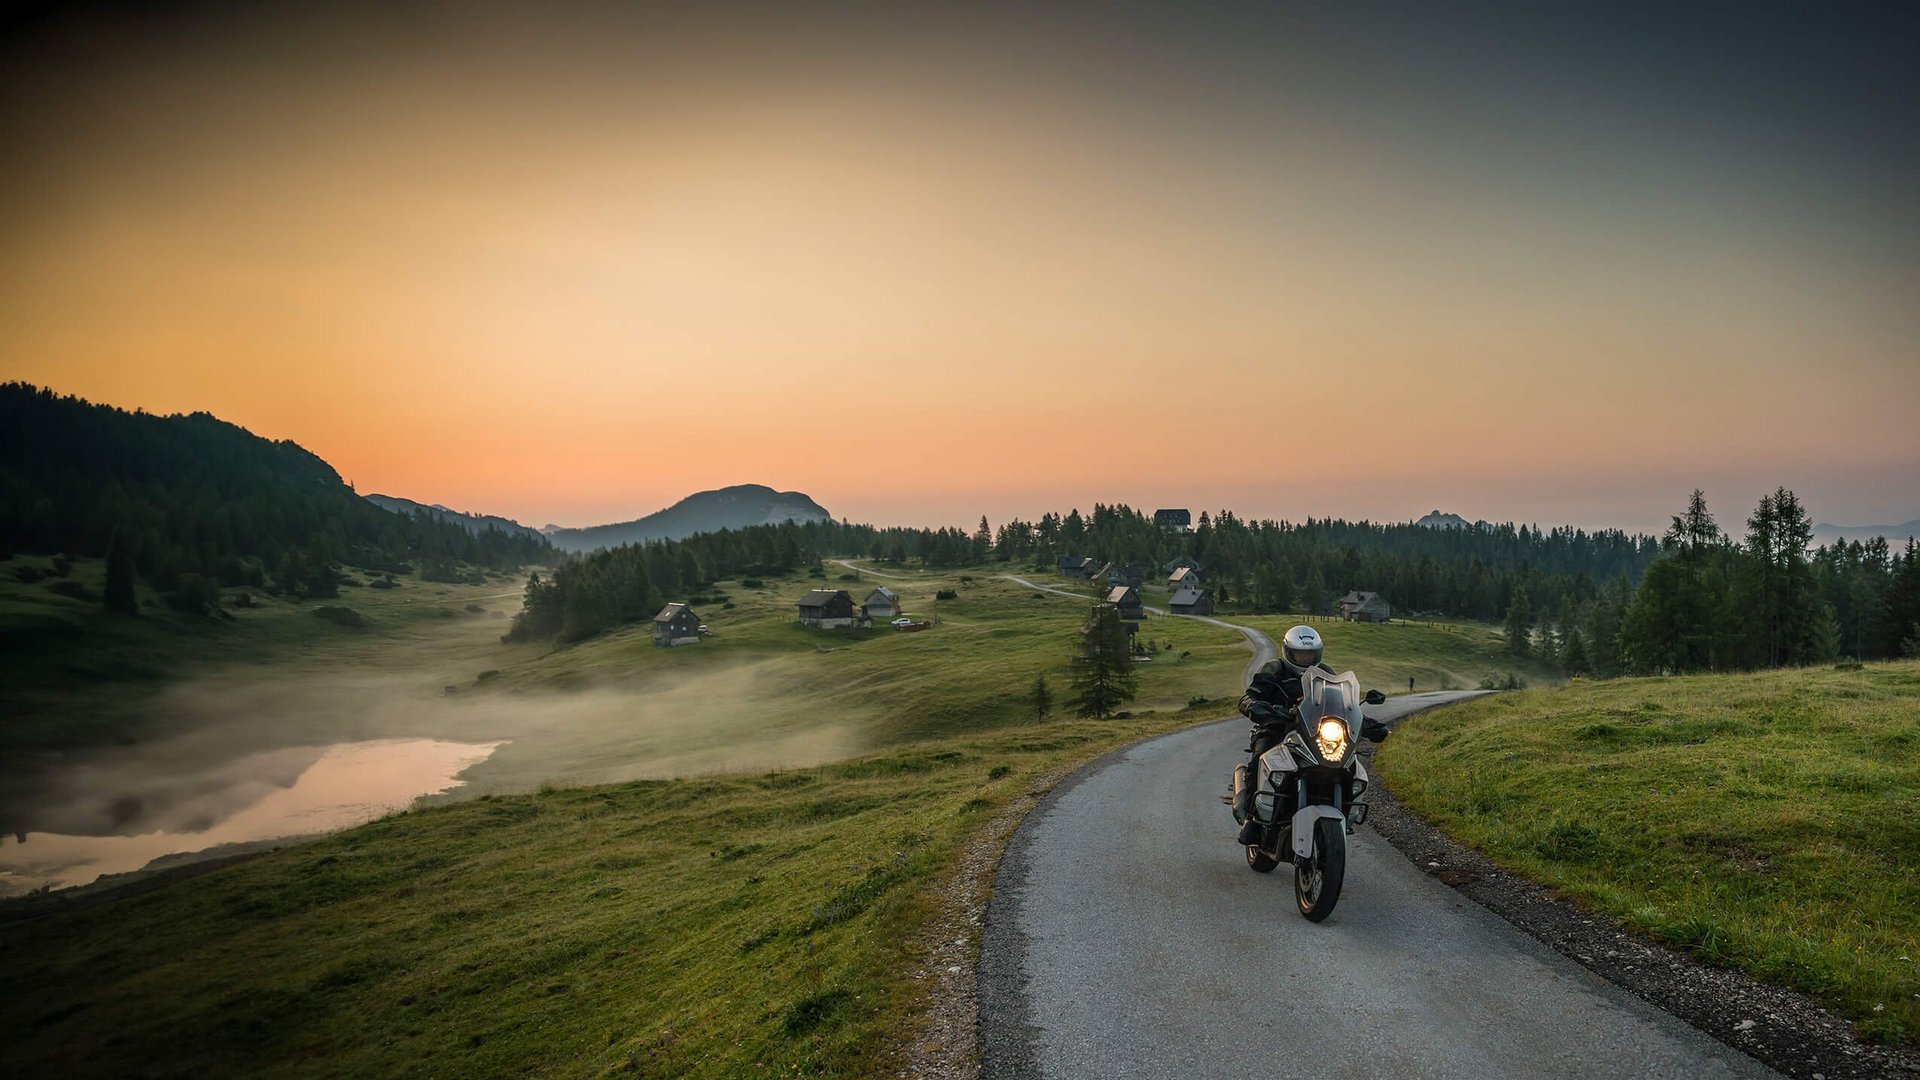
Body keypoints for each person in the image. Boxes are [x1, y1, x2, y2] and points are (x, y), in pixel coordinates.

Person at [1234, 624, 1327, 845]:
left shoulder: (1325, 674)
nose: (1306, 659)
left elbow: (1344, 704)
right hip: (1275, 729)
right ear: (1289, 652)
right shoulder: (1273, 670)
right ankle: (1252, 820)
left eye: (1310, 654)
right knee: (1260, 758)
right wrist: (1256, 707)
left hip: (1314, 735)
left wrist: (1366, 722)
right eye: (1301, 654)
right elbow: (1249, 697)